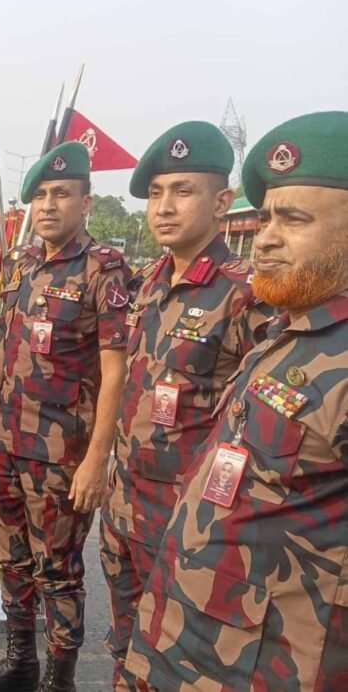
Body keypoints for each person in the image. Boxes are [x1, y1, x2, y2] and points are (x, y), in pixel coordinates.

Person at [126, 111, 348, 691]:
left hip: (267, 663)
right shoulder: (290, 333)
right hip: (188, 640)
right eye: (268, 217)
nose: (267, 236)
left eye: (294, 219)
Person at [100, 121, 272, 691]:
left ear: (222, 203)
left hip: (187, 523)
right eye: (155, 194)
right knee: (124, 645)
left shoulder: (245, 293)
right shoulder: (150, 282)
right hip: (125, 503)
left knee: (175, 661)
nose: (164, 207)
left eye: (182, 191)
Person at [0, 141, 130, 692]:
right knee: (13, 561)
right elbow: (4, 350)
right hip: (9, 440)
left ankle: (59, 679)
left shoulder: (105, 269)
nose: (49, 205)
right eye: (41, 196)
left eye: (62, 194)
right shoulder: (23, 263)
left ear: (86, 202)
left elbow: (117, 371)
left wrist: (97, 460)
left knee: (57, 571)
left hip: (62, 454)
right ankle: (20, 663)